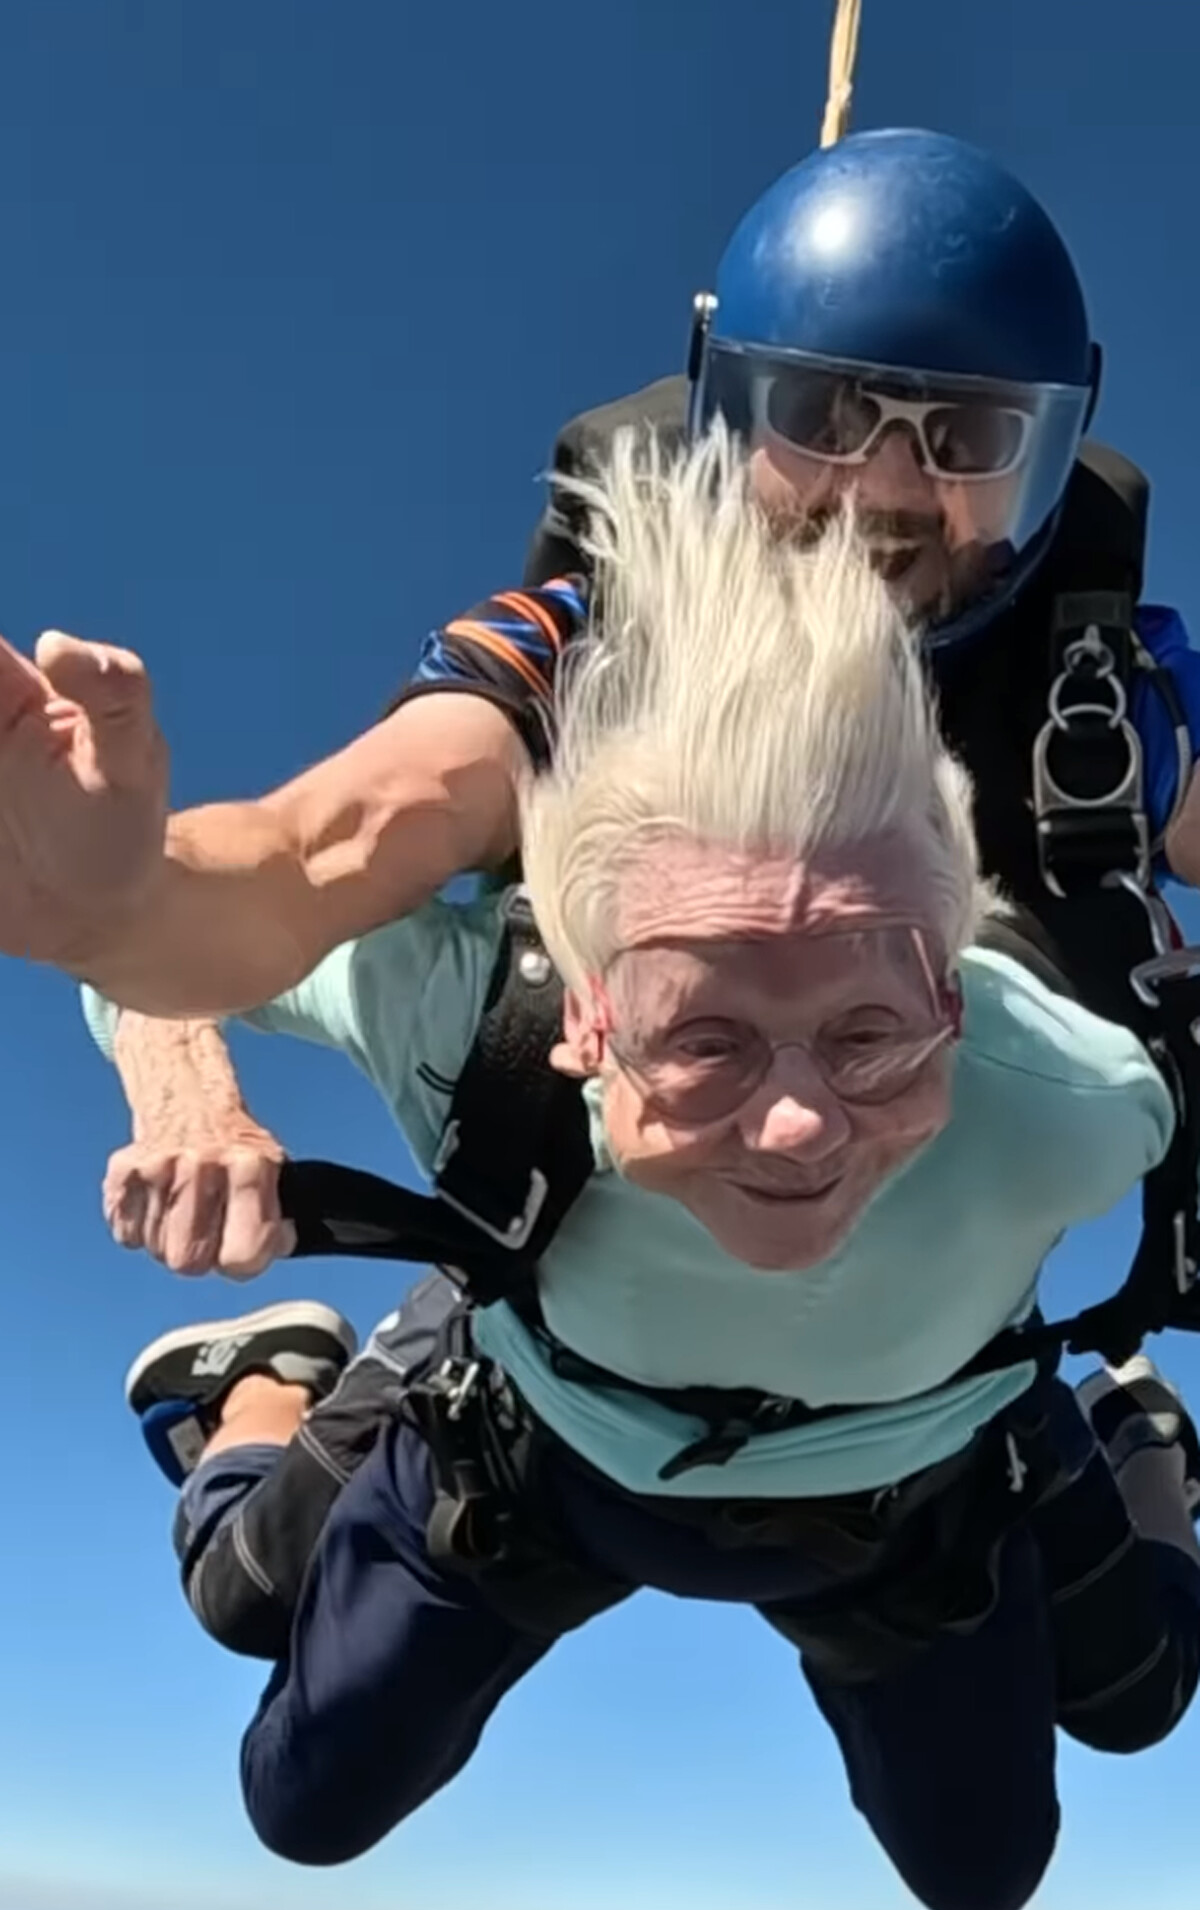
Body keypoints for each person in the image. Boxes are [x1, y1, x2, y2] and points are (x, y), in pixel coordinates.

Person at [77, 430, 1200, 1910]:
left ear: (956, 1000)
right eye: (705, 1039)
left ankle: (1132, 1428)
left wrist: (146, 968)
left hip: (913, 1473)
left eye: (869, 1036)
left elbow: (164, 949)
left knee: (1049, 1801)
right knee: (284, 1736)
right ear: (586, 1021)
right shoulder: (482, 1017)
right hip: (540, 1450)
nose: (797, 1127)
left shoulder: (1080, 1093)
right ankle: (262, 1388)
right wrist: (190, 1098)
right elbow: (158, 955)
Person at [11, 130, 1200, 1287]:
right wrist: (120, 916)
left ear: (1050, 453)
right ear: (729, 410)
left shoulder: (1105, 698)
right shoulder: (573, 657)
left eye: (970, 437)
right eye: (823, 418)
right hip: (556, 1361)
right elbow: (324, 849)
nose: (883, 490)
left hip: (966, 1382)